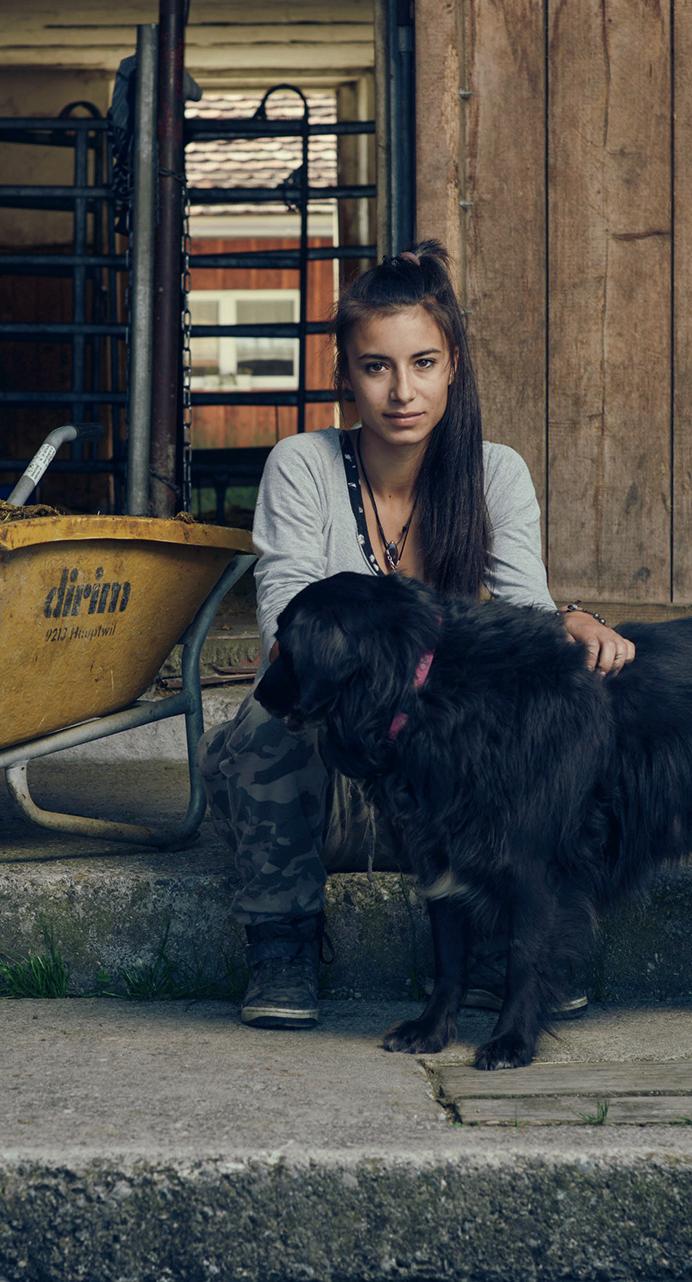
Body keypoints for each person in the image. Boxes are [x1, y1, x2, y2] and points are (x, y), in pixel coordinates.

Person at [198, 241, 636, 1029]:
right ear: (346, 375)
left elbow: (523, 616)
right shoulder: (302, 466)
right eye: (376, 367)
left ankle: (512, 943)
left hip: (430, 776)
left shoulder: (494, 472)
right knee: (271, 721)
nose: (403, 391)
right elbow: (286, 641)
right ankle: (283, 937)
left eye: (423, 363)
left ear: (453, 365)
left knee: (527, 714)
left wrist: (562, 619)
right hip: (342, 771)